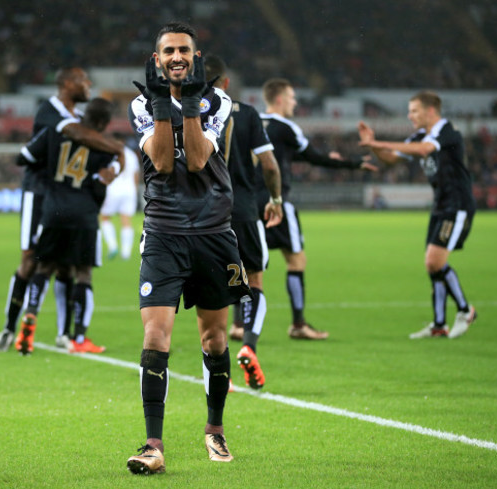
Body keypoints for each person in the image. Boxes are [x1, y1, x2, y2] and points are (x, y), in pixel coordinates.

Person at [126, 22, 249, 475]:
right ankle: (153, 445)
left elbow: (197, 159)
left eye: (183, 51)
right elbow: (160, 160)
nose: (176, 57)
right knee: (155, 336)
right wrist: (162, 104)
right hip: (163, 233)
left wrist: (191, 102)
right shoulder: (141, 103)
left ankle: (214, 430)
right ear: (156, 58)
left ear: (196, 57)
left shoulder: (218, 101)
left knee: (214, 339)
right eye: (168, 51)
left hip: (214, 234)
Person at [0, 67, 124, 353]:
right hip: (38, 194)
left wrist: (111, 166)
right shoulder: (49, 111)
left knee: (63, 265)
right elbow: (76, 134)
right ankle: (8, 328)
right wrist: (118, 151)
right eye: (83, 79)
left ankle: (64, 333)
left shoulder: (78, 117)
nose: (89, 84)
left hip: (62, 198)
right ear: (66, 84)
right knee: (30, 259)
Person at [257, 78, 376, 340]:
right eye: (291, 97)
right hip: (276, 202)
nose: (295, 102)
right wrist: (352, 163)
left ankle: (239, 325)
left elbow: (281, 154)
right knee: (296, 260)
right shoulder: (287, 127)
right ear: (279, 99)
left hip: (247, 204)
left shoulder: (252, 122)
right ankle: (299, 324)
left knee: (248, 264)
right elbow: (314, 157)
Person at [358, 91, 477, 339]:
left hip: (457, 205)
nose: (410, 115)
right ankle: (439, 325)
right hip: (441, 205)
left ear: (430, 111)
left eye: (414, 110)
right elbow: (391, 159)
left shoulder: (447, 132)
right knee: (432, 266)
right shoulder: (420, 134)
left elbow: (424, 151)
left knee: (435, 262)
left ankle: (466, 311)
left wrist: (380, 143)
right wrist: (374, 145)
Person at [203, 54, 283, 390]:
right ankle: (249, 343)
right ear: (226, 82)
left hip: (204, 213)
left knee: (210, 292)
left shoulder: (189, 110)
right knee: (254, 279)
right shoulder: (247, 113)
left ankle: (216, 374)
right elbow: (268, 163)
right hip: (245, 210)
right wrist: (276, 200)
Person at [99, 137, 141, 260]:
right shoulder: (132, 155)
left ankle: (113, 247)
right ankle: (126, 253)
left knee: (105, 217)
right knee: (126, 220)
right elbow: (135, 175)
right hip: (129, 191)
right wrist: (134, 191)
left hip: (113, 189)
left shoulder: (110, 152)